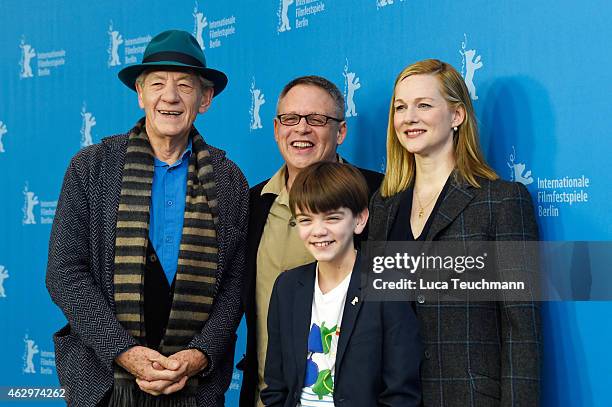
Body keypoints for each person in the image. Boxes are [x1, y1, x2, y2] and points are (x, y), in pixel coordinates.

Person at [46, 30, 248, 407]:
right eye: (157, 84)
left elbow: (235, 284)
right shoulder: (91, 168)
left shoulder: (229, 179)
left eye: (184, 86)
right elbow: (64, 273)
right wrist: (125, 352)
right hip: (106, 384)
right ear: (141, 95)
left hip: (193, 387)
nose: (169, 97)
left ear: (204, 99)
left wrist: (200, 355)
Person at [368, 59, 541, 406]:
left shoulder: (501, 200)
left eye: (424, 105)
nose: (409, 117)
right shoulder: (383, 206)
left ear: (457, 115)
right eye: (400, 107)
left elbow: (522, 330)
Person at [240, 76, 383, 406]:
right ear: (276, 129)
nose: (301, 129)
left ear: (341, 132)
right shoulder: (252, 203)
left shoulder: (379, 197)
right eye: (290, 119)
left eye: (317, 120)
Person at [261, 162, 422, 407]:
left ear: (359, 219)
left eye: (332, 218)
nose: (318, 231)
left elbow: (401, 392)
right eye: (306, 220)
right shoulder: (287, 287)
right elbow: (276, 385)